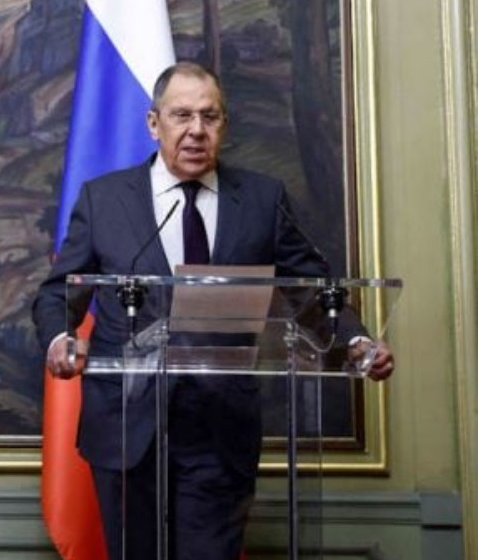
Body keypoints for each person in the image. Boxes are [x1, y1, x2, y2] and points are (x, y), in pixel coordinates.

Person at [31, 62, 394, 560]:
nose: (196, 130)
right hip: (127, 426)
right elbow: (58, 293)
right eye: (182, 115)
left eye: (210, 116)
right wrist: (60, 338)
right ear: (154, 123)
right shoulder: (104, 199)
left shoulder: (263, 199)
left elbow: (311, 289)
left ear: (224, 124)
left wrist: (356, 341)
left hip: (219, 429)